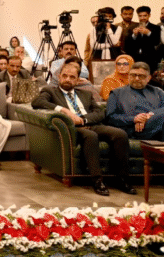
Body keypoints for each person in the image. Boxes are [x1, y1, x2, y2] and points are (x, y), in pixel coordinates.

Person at [33, 58, 133, 196]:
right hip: (72, 128)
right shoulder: (50, 91)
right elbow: (37, 102)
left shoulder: (85, 94)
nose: (67, 79)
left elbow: (99, 112)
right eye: (65, 76)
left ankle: (122, 180)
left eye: (72, 77)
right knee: (91, 136)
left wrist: (84, 120)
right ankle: (97, 181)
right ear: (59, 76)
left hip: (89, 124)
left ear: (78, 80)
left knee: (120, 134)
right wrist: (64, 110)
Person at [106, 62, 164, 142]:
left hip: (157, 128)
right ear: (129, 76)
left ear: (148, 78)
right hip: (134, 129)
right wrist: (134, 119)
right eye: (133, 75)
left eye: (141, 76)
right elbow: (110, 118)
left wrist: (148, 116)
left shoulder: (157, 92)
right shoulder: (116, 93)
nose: (137, 78)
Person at [123, 6, 163, 73]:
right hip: (135, 58)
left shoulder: (156, 27)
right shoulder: (132, 27)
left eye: (145, 16)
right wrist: (134, 35)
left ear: (149, 15)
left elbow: (156, 42)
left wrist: (149, 33)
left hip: (150, 59)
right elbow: (127, 45)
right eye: (140, 16)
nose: (142, 18)